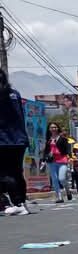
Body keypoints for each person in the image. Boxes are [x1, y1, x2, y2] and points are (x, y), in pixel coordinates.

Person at [0, 68, 31, 215]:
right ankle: (22, 203)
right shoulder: (14, 93)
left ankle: (17, 203)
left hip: (4, 140)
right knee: (17, 172)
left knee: (5, 173)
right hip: (19, 139)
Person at [43, 122, 71, 203]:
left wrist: (69, 156)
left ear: (58, 128)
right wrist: (44, 159)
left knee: (61, 178)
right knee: (54, 179)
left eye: (55, 127)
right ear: (49, 129)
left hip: (62, 160)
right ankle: (59, 197)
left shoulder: (62, 138)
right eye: (51, 127)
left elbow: (68, 148)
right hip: (51, 161)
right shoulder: (48, 139)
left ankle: (67, 190)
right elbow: (46, 151)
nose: (53, 129)